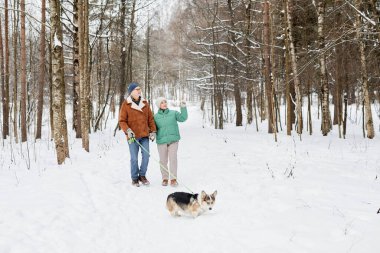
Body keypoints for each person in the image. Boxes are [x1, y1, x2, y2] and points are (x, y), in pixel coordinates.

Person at [119, 82, 156, 187]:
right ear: (131, 92)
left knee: (146, 156)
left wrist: (153, 131)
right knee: (134, 158)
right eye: (137, 89)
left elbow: (150, 119)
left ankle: (142, 175)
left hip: (144, 135)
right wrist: (128, 131)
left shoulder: (145, 103)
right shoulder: (126, 104)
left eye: (140, 89)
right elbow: (122, 121)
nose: (139, 91)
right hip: (132, 137)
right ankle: (134, 178)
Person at [154, 97, 188, 186]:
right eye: (162, 102)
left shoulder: (173, 113)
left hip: (173, 141)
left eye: (165, 102)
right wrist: (152, 133)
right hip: (161, 141)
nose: (164, 104)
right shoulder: (155, 117)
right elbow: (153, 128)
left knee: (173, 159)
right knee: (163, 161)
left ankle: (173, 179)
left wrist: (183, 107)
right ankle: (165, 178)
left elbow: (183, 118)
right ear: (158, 105)